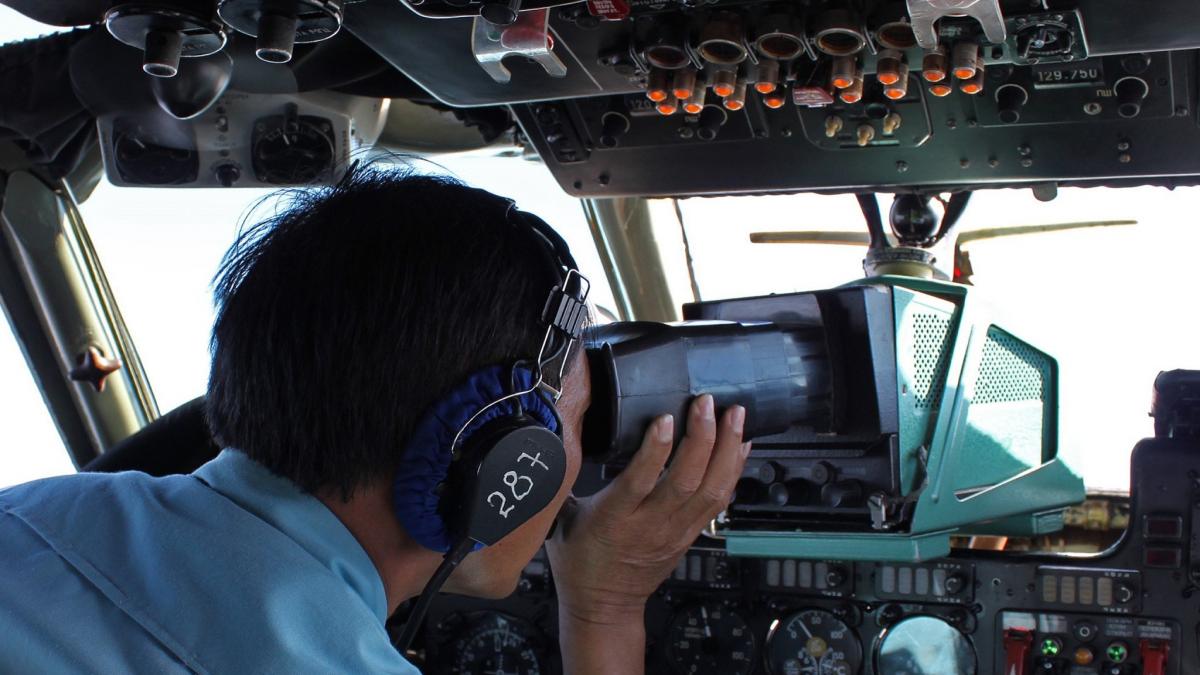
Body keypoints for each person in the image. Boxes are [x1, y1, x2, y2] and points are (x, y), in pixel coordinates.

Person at [0, 163, 750, 673]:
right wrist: (608, 608)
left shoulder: (29, 512)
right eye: (577, 430)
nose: (575, 469)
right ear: (496, 454)